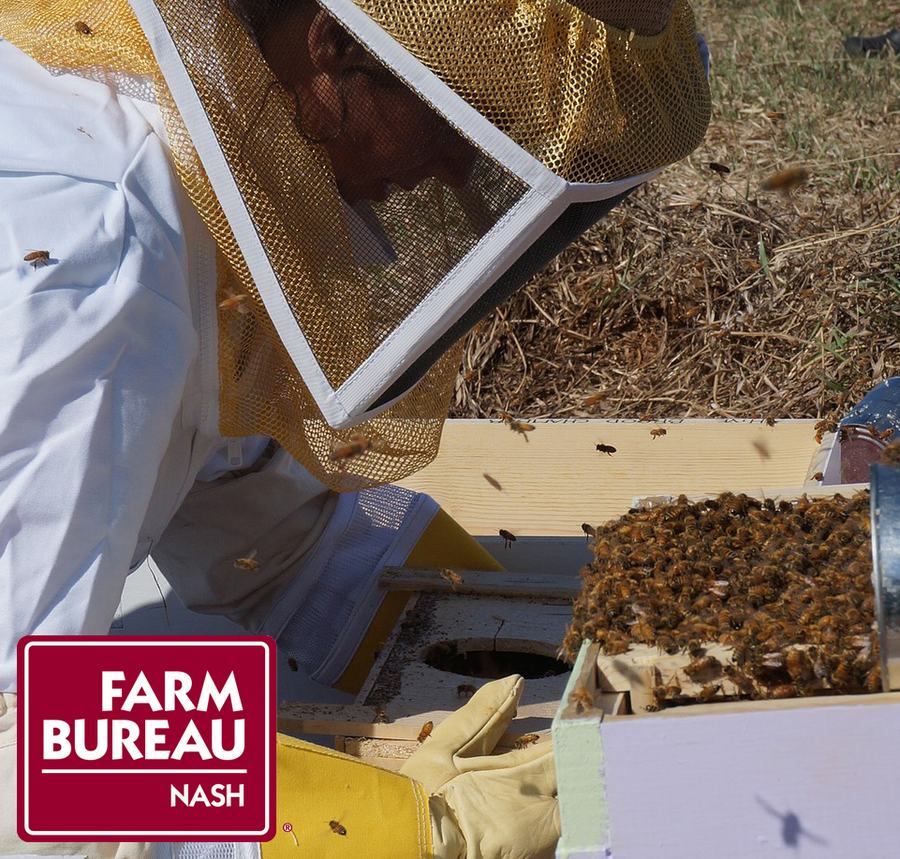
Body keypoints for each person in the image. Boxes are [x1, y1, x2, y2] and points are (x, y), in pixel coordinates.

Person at [0, 0, 711, 856]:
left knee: (199, 667)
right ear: (333, 43)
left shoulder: (193, 158)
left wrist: (508, 626)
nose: (461, 169)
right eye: (462, 115)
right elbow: (25, 744)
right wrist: (392, 829)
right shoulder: (91, 276)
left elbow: (267, 539)